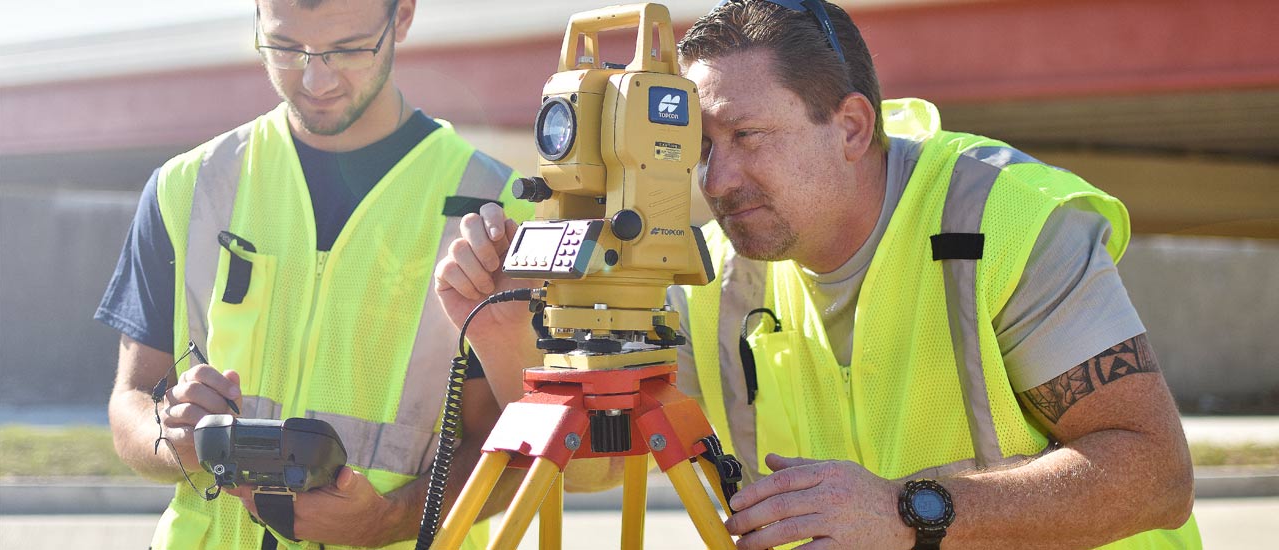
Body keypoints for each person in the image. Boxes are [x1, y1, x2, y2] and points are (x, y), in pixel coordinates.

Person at [434, 0, 1202, 548]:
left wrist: (909, 512)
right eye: (698, 144)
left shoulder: (1005, 222)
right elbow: (596, 468)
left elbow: (1155, 473)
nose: (717, 176)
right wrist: (505, 334)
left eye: (746, 134)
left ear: (852, 127)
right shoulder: (720, 281)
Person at [95, 0, 531, 548]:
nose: (314, 77)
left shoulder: (497, 208)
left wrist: (389, 520)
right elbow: (129, 400)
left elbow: (518, 444)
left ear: (402, 17)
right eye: (283, 47)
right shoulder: (185, 189)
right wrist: (169, 436)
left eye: (347, 49)